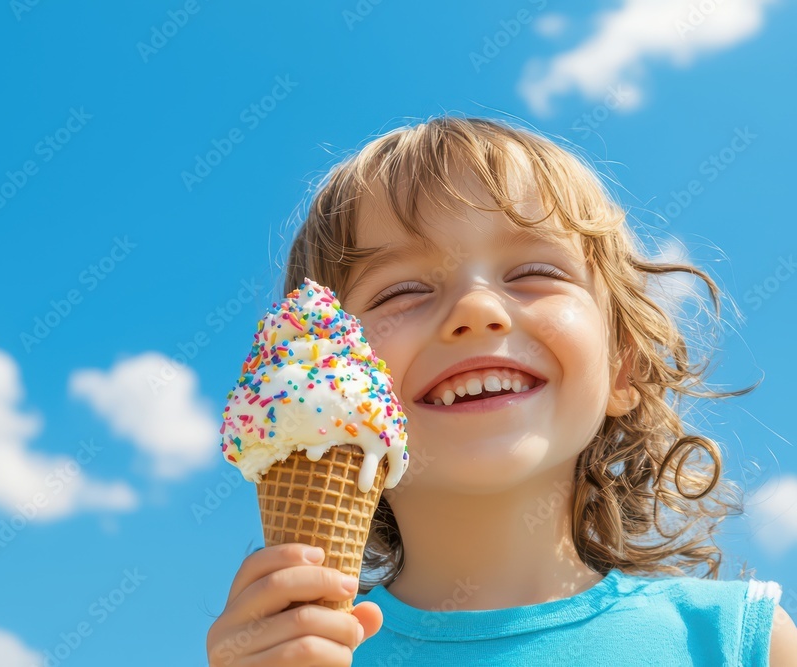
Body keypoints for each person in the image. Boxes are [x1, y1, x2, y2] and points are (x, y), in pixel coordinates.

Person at [205, 115, 797, 665]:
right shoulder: (299, 652)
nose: (477, 309)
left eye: (534, 273)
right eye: (401, 290)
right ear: (326, 383)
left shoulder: (741, 642)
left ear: (623, 368)